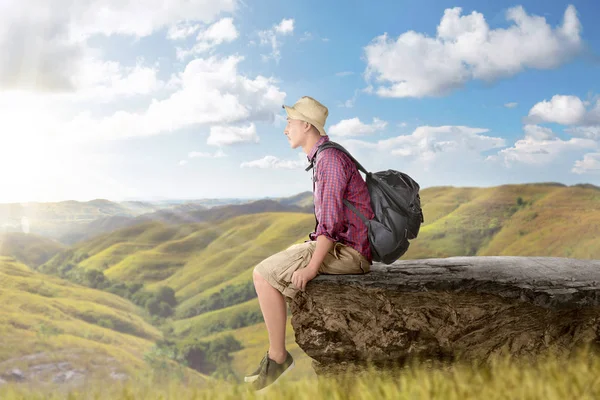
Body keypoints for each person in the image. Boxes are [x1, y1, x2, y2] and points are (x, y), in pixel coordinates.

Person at [246, 96, 375, 392]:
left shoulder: (328, 161)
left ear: (306, 125)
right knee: (283, 260)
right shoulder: (326, 156)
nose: (285, 129)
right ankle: (276, 354)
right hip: (346, 245)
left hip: (349, 252)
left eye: (289, 122)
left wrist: (312, 268)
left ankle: (277, 356)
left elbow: (329, 225)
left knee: (262, 274)